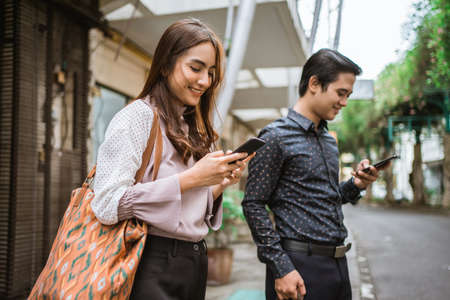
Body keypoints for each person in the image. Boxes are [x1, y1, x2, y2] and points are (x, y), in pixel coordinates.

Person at [92, 18, 252, 300]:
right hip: (149, 259)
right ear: (165, 65)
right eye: (195, 68)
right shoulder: (138, 116)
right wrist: (192, 178)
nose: (205, 81)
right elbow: (106, 204)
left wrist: (216, 184)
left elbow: (184, 207)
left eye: (211, 72)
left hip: (194, 259)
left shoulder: (195, 126)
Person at [242, 49, 389, 300]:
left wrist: (356, 184)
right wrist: (281, 266)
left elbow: (327, 198)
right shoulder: (275, 137)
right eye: (341, 93)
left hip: (338, 265)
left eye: (348, 95)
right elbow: (253, 203)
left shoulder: (328, 140)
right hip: (298, 267)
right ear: (314, 83)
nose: (344, 102)